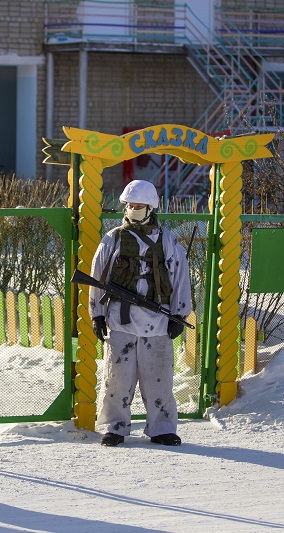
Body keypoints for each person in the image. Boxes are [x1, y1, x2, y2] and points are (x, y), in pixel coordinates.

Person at [89, 180, 192, 447]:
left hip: (157, 322)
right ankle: (114, 427)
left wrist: (179, 315)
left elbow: (180, 278)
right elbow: (97, 277)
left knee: (159, 380)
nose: (133, 209)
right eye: (130, 205)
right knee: (116, 379)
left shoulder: (167, 240)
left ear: (151, 207)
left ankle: (162, 428)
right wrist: (97, 315)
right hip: (120, 320)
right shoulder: (112, 239)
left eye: (139, 205)